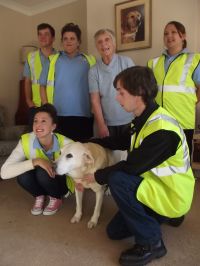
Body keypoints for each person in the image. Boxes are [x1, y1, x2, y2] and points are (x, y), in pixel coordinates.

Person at [83, 66, 195, 266]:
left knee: (117, 179)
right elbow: (120, 141)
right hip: (156, 188)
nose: (117, 98)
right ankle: (168, 216)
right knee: (114, 232)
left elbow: (130, 168)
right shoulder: (143, 119)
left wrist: (97, 176)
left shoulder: (162, 131)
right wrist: (89, 142)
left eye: (121, 93)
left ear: (140, 93)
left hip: (172, 194)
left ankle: (152, 243)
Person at [0, 104, 74, 216]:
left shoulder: (66, 143)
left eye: (43, 121)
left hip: (61, 183)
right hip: (41, 180)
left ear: (53, 126)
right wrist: (36, 161)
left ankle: (56, 198)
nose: (38, 125)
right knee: (23, 175)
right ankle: (39, 196)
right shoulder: (25, 141)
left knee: (41, 172)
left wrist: (80, 181)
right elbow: (4, 173)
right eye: (35, 121)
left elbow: (81, 162)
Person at [148, 21, 200, 156]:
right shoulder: (153, 63)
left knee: (183, 161)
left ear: (183, 36)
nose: (169, 36)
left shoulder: (194, 59)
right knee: (160, 162)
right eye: (165, 33)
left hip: (183, 121)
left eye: (173, 32)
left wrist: (193, 101)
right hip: (159, 121)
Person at [40, 22, 96, 141]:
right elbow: (42, 86)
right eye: (65, 38)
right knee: (61, 153)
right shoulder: (52, 60)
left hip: (84, 115)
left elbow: (96, 89)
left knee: (82, 152)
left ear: (79, 42)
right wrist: (47, 109)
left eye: (72, 38)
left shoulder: (90, 61)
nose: (68, 41)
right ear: (61, 41)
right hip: (58, 115)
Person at [88, 29, 134, 138]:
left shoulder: (127, 62)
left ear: (114, 43)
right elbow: (95, 100)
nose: (103, 44)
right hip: (107, 124)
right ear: (97, 46)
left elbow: (136, 92)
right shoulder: (93, 71)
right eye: (99, 42)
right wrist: (101, 125)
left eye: (107, 40)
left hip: (129, 120)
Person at [23, 23, 56, 130]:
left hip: (54, 106)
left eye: (46, 34)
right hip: (36, 106)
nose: (42, 37)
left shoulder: (60, 57)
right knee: (35, 139)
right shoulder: (31, 57)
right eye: (40, 34)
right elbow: (27, 81)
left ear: (53, 38)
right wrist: (29, 102)